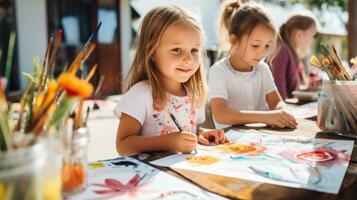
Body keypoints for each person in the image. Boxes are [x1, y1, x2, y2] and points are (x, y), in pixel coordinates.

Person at [114, 6, 228, 156]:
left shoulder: (194, 94)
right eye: (177, 50)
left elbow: (188, 130)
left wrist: (200, 134)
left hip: (184, 174)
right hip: (150, 176)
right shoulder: (141, 94)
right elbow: (123, 145)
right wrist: (168, 142)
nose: (188, 59)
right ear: (152, 53)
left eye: (194, 50)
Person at [209, 1, 297, 129]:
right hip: (229, 144)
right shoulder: (218, 71)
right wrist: (267, 117)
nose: (263, 52)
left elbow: (276, 102)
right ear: (234, 40)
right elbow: (221, 114)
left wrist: (282, 111)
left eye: (267, 45)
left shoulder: (263, 69)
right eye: (255, 45)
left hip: (260, 140)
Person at [270, 13, 317, 99]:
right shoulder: (283, 50)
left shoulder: (292, 53)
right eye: (312, 35)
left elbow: (294, 89)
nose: (312, 39)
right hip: (283, 109)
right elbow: (278, 87)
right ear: (299, 34)